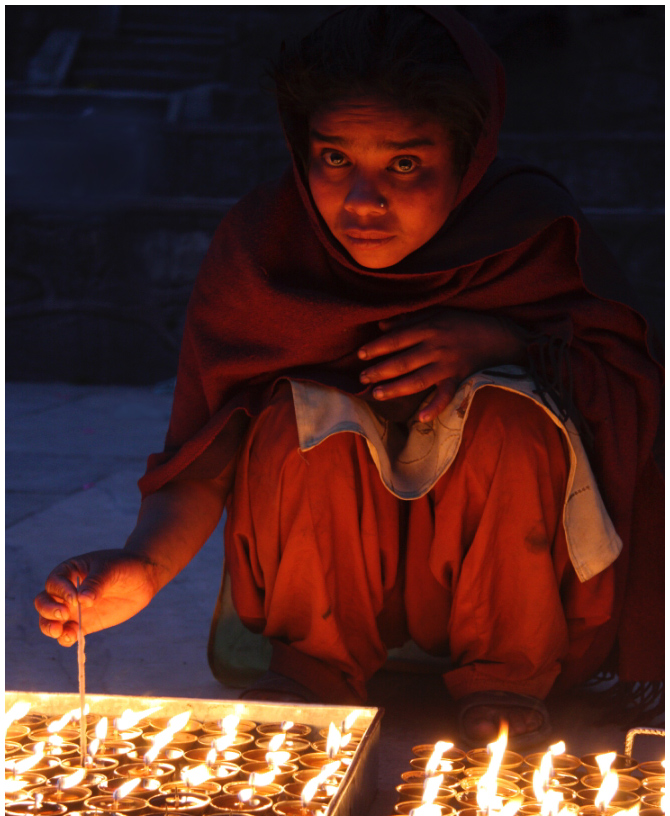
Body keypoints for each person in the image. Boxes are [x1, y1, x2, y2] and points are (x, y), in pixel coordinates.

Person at [34, 7, 662, 748]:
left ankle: (504, 677)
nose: (363, 203)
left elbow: (626, 390)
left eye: (404, 164)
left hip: (506, 583)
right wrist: (143, 564)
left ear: (468, 154)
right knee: (296, 421)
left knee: (508, 416)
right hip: (319, 591)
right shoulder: (267, 248)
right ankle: (312, 674)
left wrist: (503, 339)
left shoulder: (529, 233)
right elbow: (206, 449)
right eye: (335, 160)